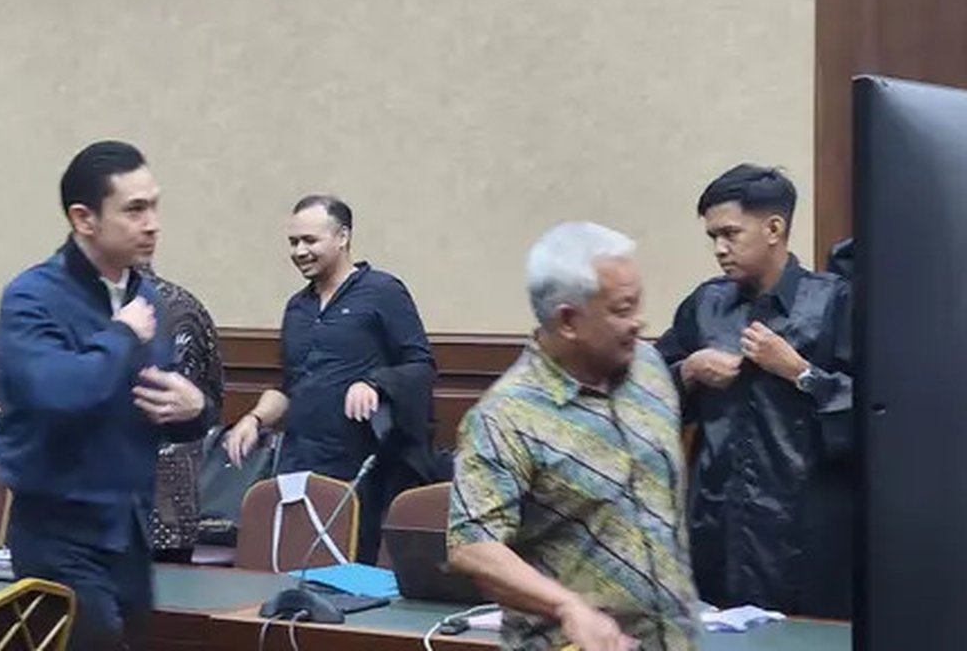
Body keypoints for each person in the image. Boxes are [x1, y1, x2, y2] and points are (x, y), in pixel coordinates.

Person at [0, 140, 208, 649]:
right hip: (57, 532)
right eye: (134, 210)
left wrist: (194, 409)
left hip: (129, 528)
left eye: (154, 205)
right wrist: (121, 334)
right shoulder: (31, 297)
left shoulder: (146, 297)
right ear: (83, 218)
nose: (152, 223)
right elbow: (58, 393)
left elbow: (156, 404)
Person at [448, 222, 699, 651]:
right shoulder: (506, 416)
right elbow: (472, 547)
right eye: (622, 309)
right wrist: (568, 606)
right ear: (568, 321)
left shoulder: (650, 368)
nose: (638, 322)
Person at [656, 164, 853, 618]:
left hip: (806, 534)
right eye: (713, 237)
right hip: (716, 526)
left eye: (730, 234)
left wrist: (800, 371)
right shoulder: (705, 305)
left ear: (774, 229)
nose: (720, 249)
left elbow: (880, 410)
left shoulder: (836, 303)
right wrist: (689, 370)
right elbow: (644, 391)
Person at [223, 195, 437, 564]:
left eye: (310, 240)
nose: (299, 251)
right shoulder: (297, 307)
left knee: (351, 574)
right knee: (295, 566)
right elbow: (288, 386)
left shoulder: (383, 292)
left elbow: (421, 365)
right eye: (293, 242)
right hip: (299, 464)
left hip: (361, 470)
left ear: (342, 237)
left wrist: (375, 383)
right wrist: (254, 419)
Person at [141, 265, 224, 562]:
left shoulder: (96, 310)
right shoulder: (186, 303)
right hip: (178, 504)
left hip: (119, 501)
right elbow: (214, 396)